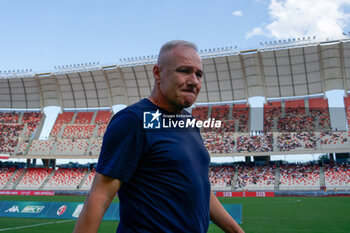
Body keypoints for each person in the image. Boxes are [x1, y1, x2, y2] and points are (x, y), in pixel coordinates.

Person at [73, 40, 244, 233]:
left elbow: (200, 190)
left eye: (199, 74)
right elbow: (99, 198)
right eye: (184, 71)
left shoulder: (189, 123)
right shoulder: (134, 120)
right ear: (157, 73)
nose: (194, 81)